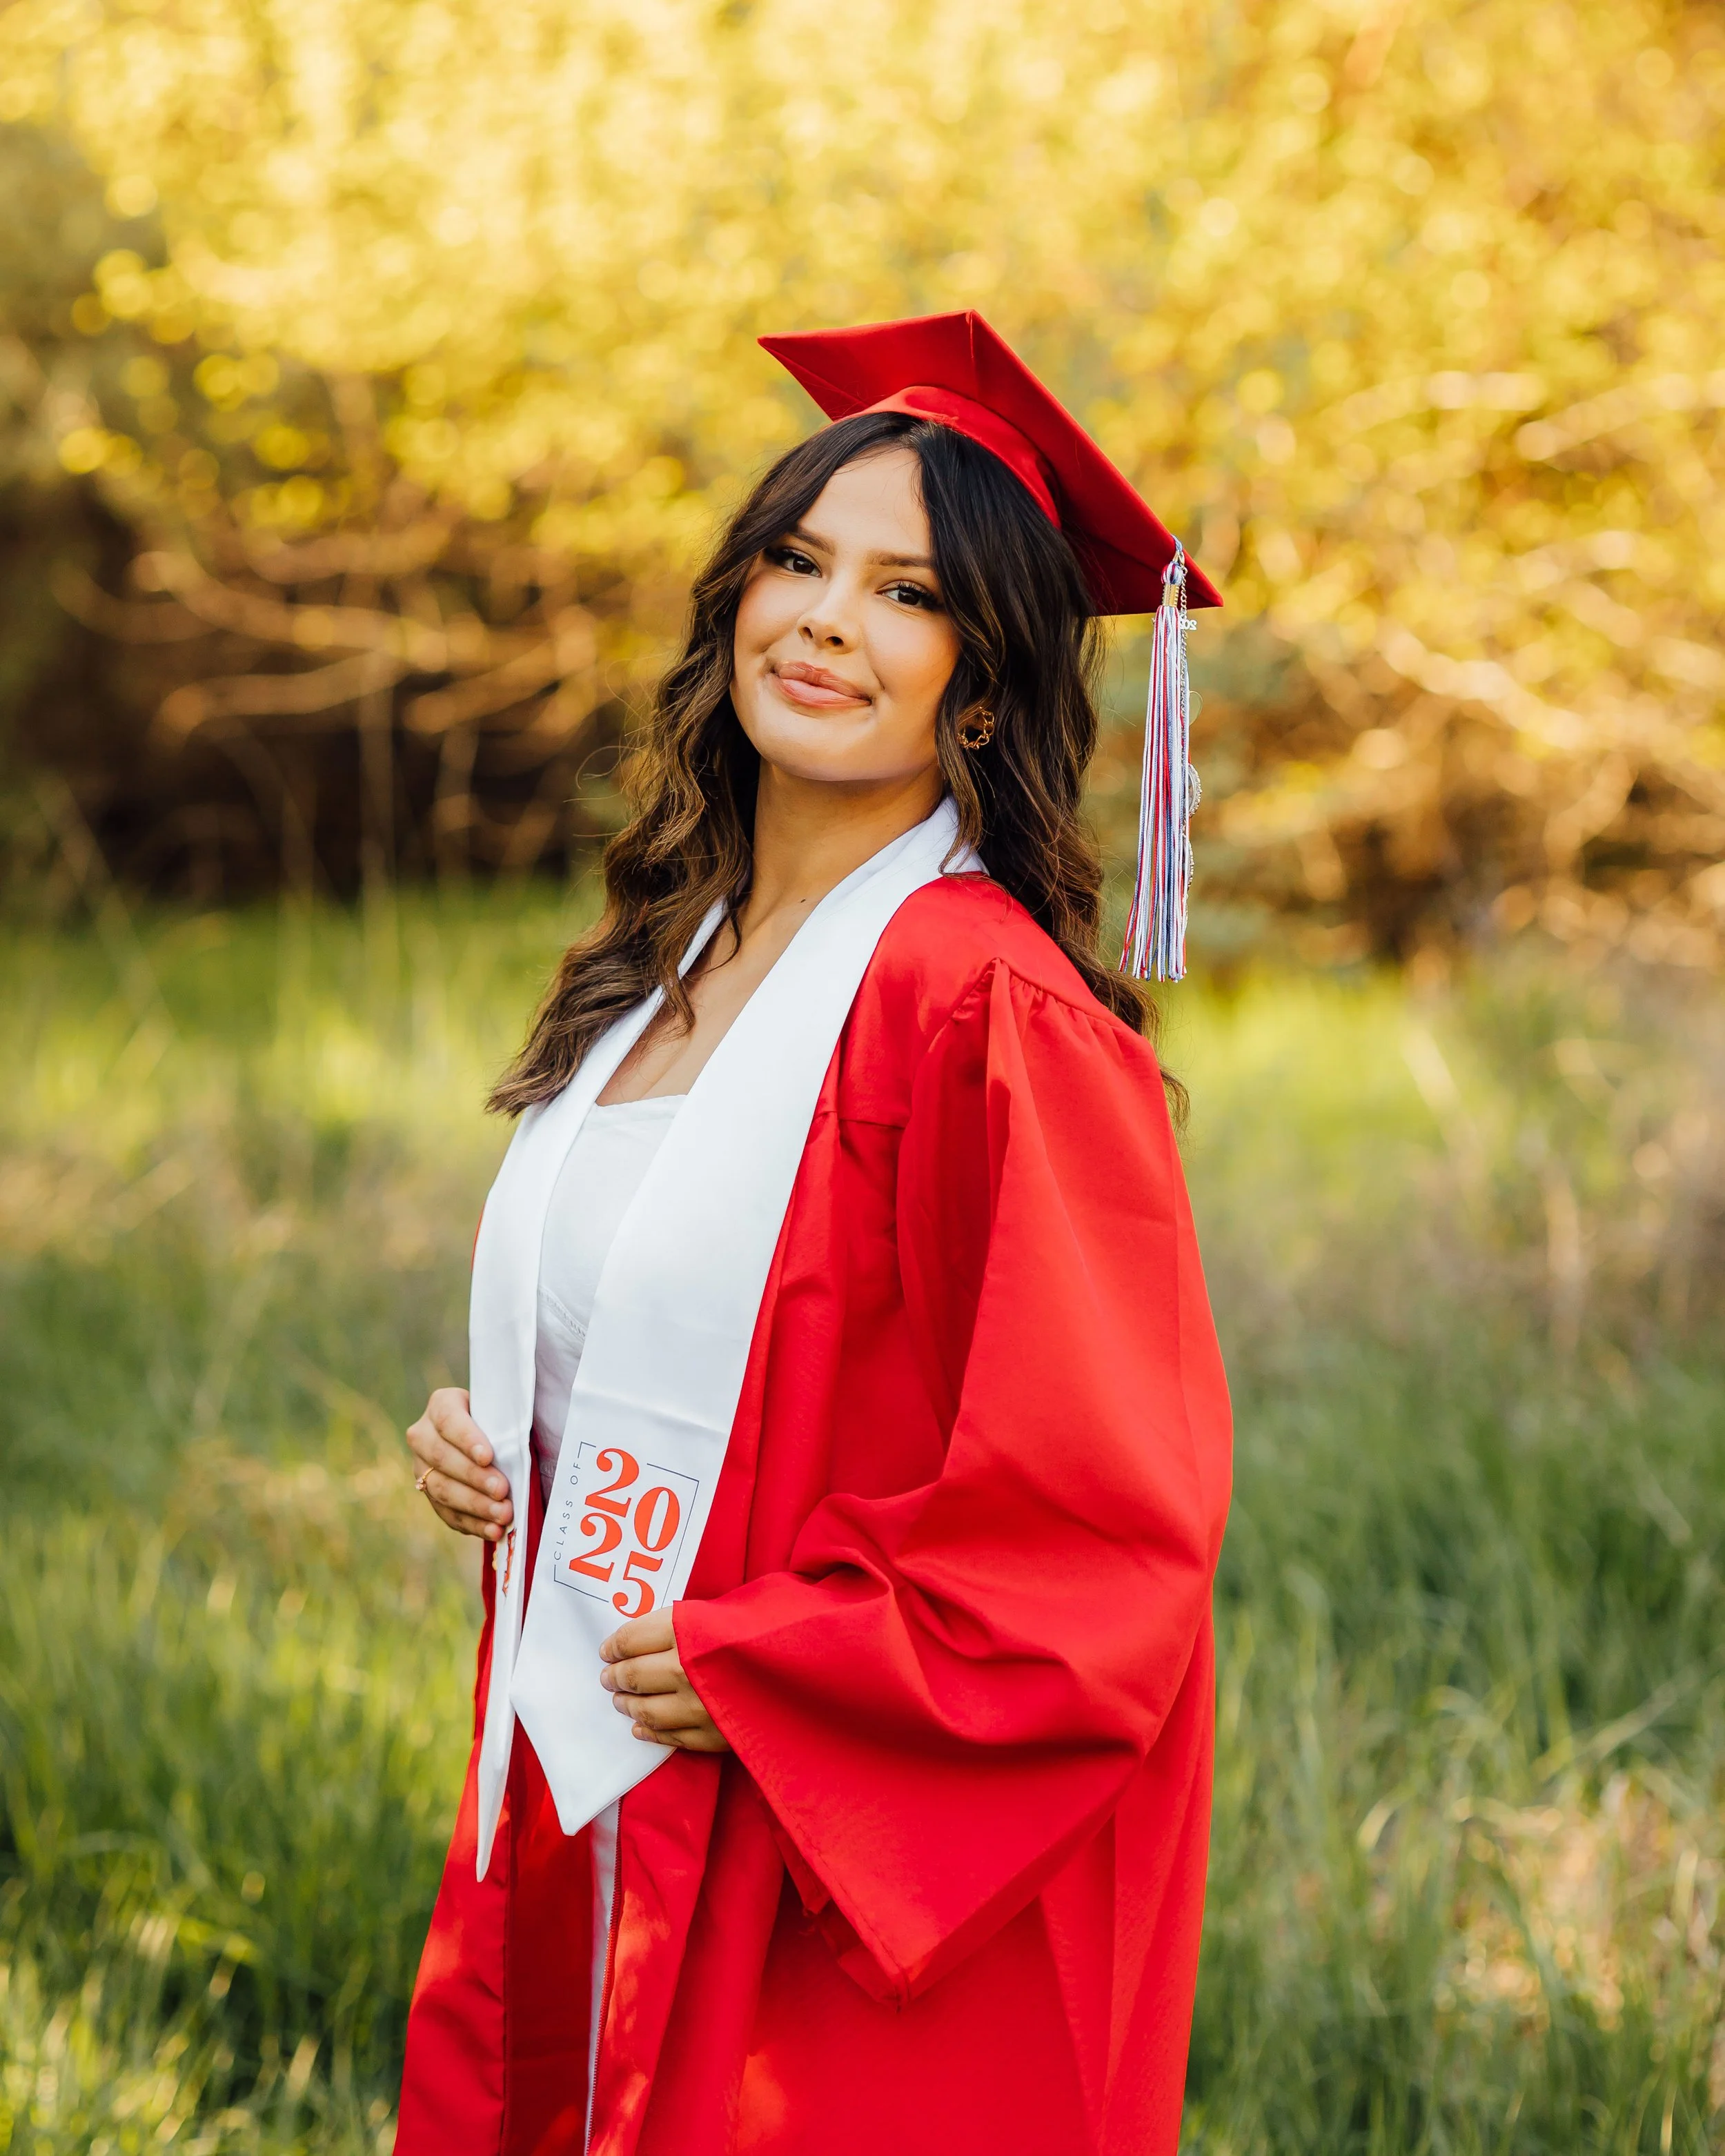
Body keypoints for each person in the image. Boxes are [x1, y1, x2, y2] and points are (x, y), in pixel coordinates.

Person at [395, 310, 1231, 2156]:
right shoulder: (667, 965)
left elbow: (1103, 1525)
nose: (824, 619)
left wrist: (779, 1662)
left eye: (904, 592)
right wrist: (502, 1429)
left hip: (820, 1859)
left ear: (988, 684)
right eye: (795, 559)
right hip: (605, 1783)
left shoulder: (979, 1008)